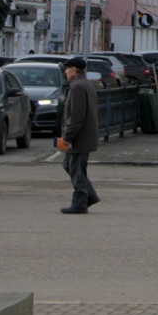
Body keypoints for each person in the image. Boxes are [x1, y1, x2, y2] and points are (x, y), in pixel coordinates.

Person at [57, 57, 99, 214]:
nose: (65, 72)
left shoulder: (78, 87)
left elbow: (76, 117)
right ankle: (90, 195)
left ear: (74, 70)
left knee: (75, 167)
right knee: (70, 165)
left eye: (67, 69)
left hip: (79, 137)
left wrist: (67, 137)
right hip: (83, 135)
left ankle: (81, 201)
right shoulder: (84, 84)